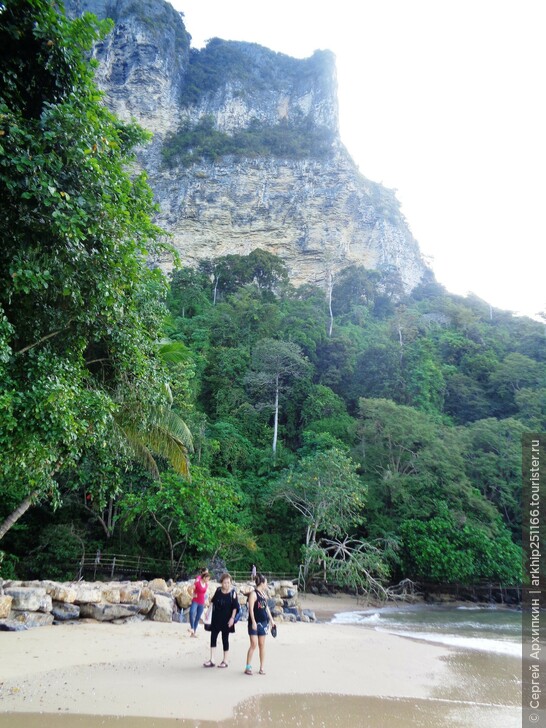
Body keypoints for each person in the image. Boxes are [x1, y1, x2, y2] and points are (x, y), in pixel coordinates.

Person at [203, 573, 239, 669]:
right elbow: (212, 602)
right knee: (213, 637)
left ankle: (225, 660)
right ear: (221, 583)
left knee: (225, 639)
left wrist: (232, 618)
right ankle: (212, 659)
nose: (227, 584)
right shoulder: (218, 590)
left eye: (228, 582)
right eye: (225, 582)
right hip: (216, 619)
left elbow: (235, 608)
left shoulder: (233, 593)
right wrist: (208, 612)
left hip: (227, 620)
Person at [245, 573, 276, 675]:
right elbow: (251, 609)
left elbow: (266, 608)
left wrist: (271, 620)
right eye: (266, 583)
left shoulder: (263, 594)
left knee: (262, 645)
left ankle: (262, 667)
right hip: (254, 622)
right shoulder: (253, 594)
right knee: (254, 644)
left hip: (263, 622)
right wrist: (253, 621)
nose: (266, 584)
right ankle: (248, 667)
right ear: (262, 583)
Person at [188, 568, 210, 637]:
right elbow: (189, 589)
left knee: (197, 618)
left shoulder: (206, 585)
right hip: (195, 601)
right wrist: (192, 594)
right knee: (191, 612)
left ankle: (193, 633)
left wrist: (206, 601)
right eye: (207, 579)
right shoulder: (197, 583)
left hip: (201, 602)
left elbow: (204, 593)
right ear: (204, 578)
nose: (208, 580)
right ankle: (192, 627)